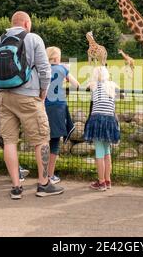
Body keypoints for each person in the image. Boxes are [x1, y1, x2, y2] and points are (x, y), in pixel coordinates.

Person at [0, 11, 64, 200]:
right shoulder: (33, 38)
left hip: (4, 98)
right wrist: (43, 91)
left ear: (12, 23)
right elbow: (44, 69)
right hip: (29, 96)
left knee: (9, 141)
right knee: (41, 139)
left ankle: (16, 187)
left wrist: (0, 92)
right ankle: (44, 184)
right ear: (27, 24)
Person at [45, 47, 80, 184]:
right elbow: (76, 84)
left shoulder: (43, 69)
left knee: (43, 141)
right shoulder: (63, 69)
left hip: (44, 106)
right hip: (58, 107)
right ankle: (50, 175)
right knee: (54, 143)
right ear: (56, 58)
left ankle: (42, 175)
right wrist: (64, 79)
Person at [83, 66, 120, 191]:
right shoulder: (112, 86)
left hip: (98, 120)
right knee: (107, 151)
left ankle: (101, 182)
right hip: (110, 120)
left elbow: (87, 86)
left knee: (99, 152)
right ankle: (108, 180)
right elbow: (120, 95)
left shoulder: (93, 85)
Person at [0, 101, 30, 182]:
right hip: (3, 132)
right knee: (10, 151)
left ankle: (18, 171)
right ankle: (18, 172)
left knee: (9, 151)